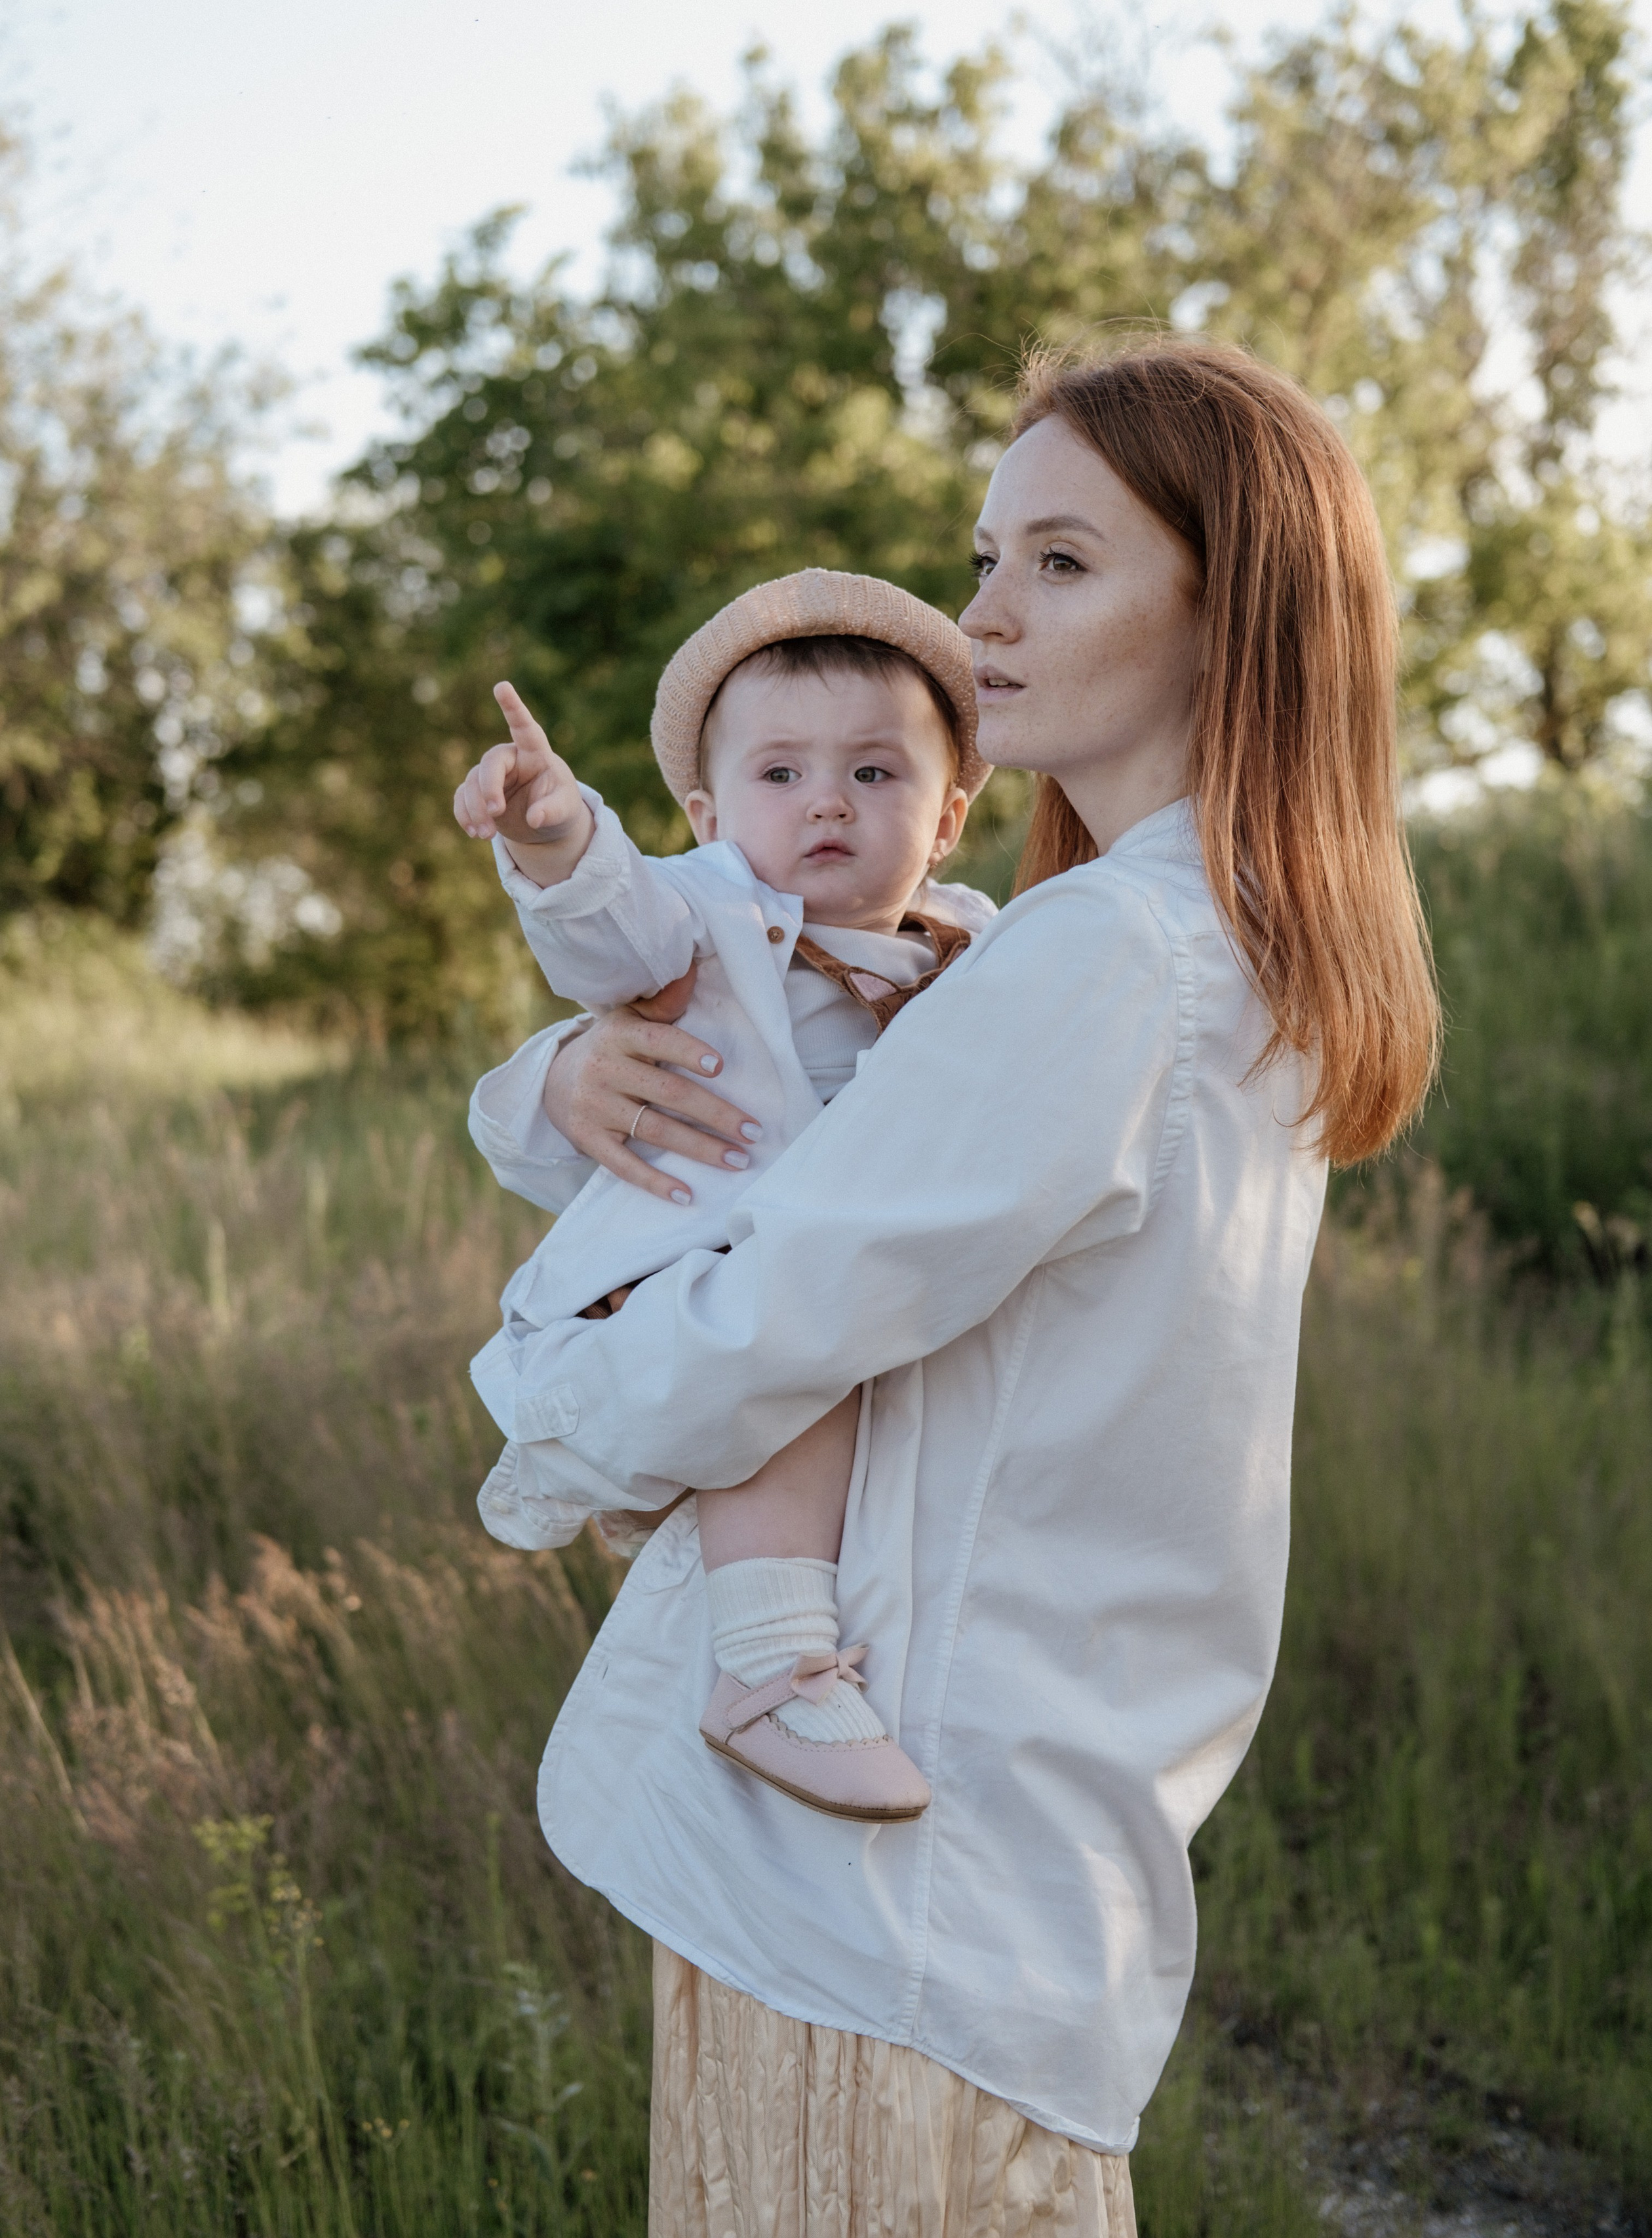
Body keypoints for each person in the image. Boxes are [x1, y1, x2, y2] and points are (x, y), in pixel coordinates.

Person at [476, 335, 1440, 2235]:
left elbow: (764, 1320)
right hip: (988, 1875)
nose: (983, 613)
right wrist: (549, 1081)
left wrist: (535, 1390)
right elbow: (749, 1097)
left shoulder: (1101, 954)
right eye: (988, 553)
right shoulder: (1222, 948)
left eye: (1061, 563)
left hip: (879, 1915)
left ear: (1231, 608)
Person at [453, 572, 996, 1822]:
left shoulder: (976, 942)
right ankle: (768, 1672)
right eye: (780, 774)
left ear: (950, 815)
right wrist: (554, 834)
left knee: (820, 1347)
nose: (826, 804)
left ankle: (758, 1596)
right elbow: (608, 927)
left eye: (874, 774)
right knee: (785, 1356)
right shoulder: (706, 913)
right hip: (693, 1266)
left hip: (835, 1273)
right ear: (704, 811)